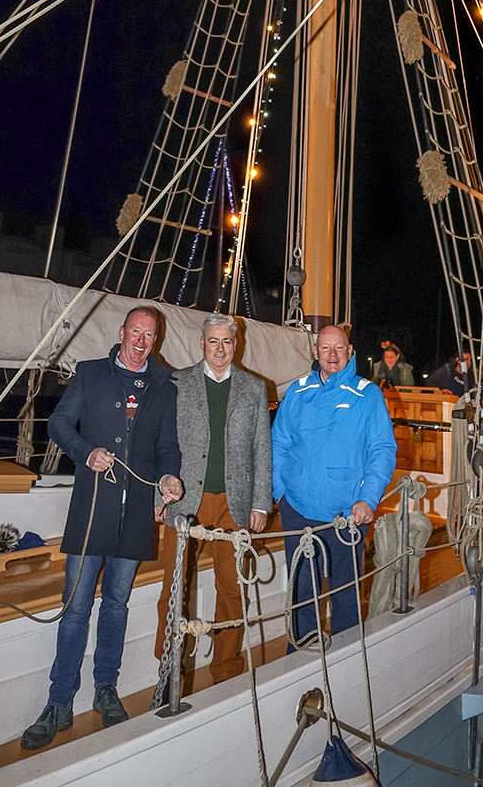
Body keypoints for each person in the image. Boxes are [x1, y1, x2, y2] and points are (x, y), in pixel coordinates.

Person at [20, 306, 182, 749]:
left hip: (136, 518)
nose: (141, 340)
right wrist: (86, 451)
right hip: (92, 509)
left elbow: (168, 447)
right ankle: (58, 702)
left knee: (116, 604)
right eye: (136, 332)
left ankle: (105, 690)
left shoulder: (165, 386)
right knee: (74, 607)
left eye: (149, 335)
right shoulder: (90, 374)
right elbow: (57, 424)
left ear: (155, 340)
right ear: (121, 333)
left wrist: (169, 479)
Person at [154, 313, 272, 685]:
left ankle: (226, 668)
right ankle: (169, 664)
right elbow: (162, 442)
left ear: (236, 345)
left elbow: (262, 449)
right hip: (185, 499)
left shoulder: (254, 388)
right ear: (201, 344)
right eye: (212, 341)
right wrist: (159, 491)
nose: (219, 349)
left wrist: (260, 503)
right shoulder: (177, 384)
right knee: (173, 585)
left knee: (232, 588)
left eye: (226, 342)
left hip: (234, 502)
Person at [272, 324, 396, 647]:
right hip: (297, 511)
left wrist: (368, 499)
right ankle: (298, 664)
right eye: (325, 348)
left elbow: (382, 450)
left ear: (350, 352)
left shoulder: (368, 395)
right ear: (315, 352)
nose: (331, 355)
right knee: (301, 594)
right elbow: (279, 444)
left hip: (345, 515)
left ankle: (346, 665)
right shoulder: (297, 393)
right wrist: (279, 492)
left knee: (345, 595)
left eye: (338, 348)